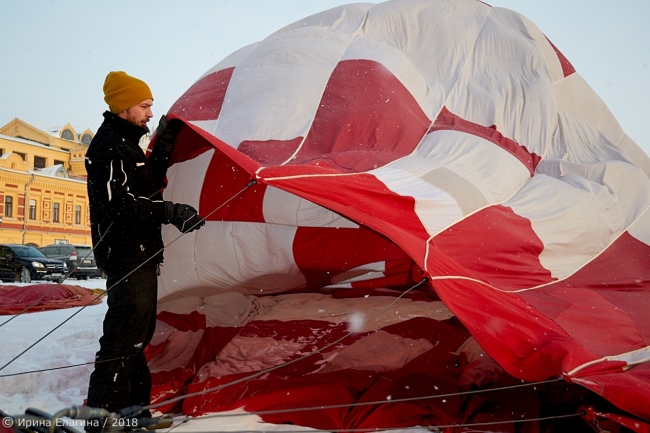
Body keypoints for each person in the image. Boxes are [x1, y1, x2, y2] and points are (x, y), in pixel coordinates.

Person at [85, 71, 205, 418]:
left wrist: (164, 144)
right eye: (145, 105)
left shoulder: (127, 145)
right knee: (123, 339)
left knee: (137, 337)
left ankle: (133, 412)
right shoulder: (108, 146)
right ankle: (102, 416)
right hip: (125, 256)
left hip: (141, 254)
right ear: (124, 107)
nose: (150, 113)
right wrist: (171, 211)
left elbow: (146, 185)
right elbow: (118, 204)